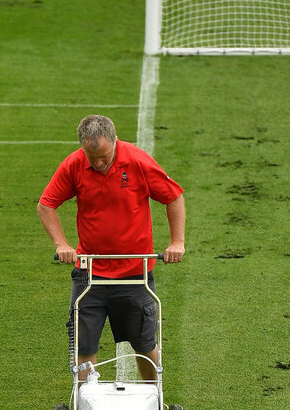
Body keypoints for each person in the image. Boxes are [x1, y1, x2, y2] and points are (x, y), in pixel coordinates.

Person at [37, 114, 185, 382]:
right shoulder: (74, 165)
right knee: (84, 345)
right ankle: (86, 405)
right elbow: (46, 205)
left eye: (104, 156)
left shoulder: (138, 161)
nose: (99, 163)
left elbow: (173, 197)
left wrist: (177, 242)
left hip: (135, 272)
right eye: (92, 158)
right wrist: (61, 244)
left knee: (144, 344)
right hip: (90, 272)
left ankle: (153, 391)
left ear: (115, 142)